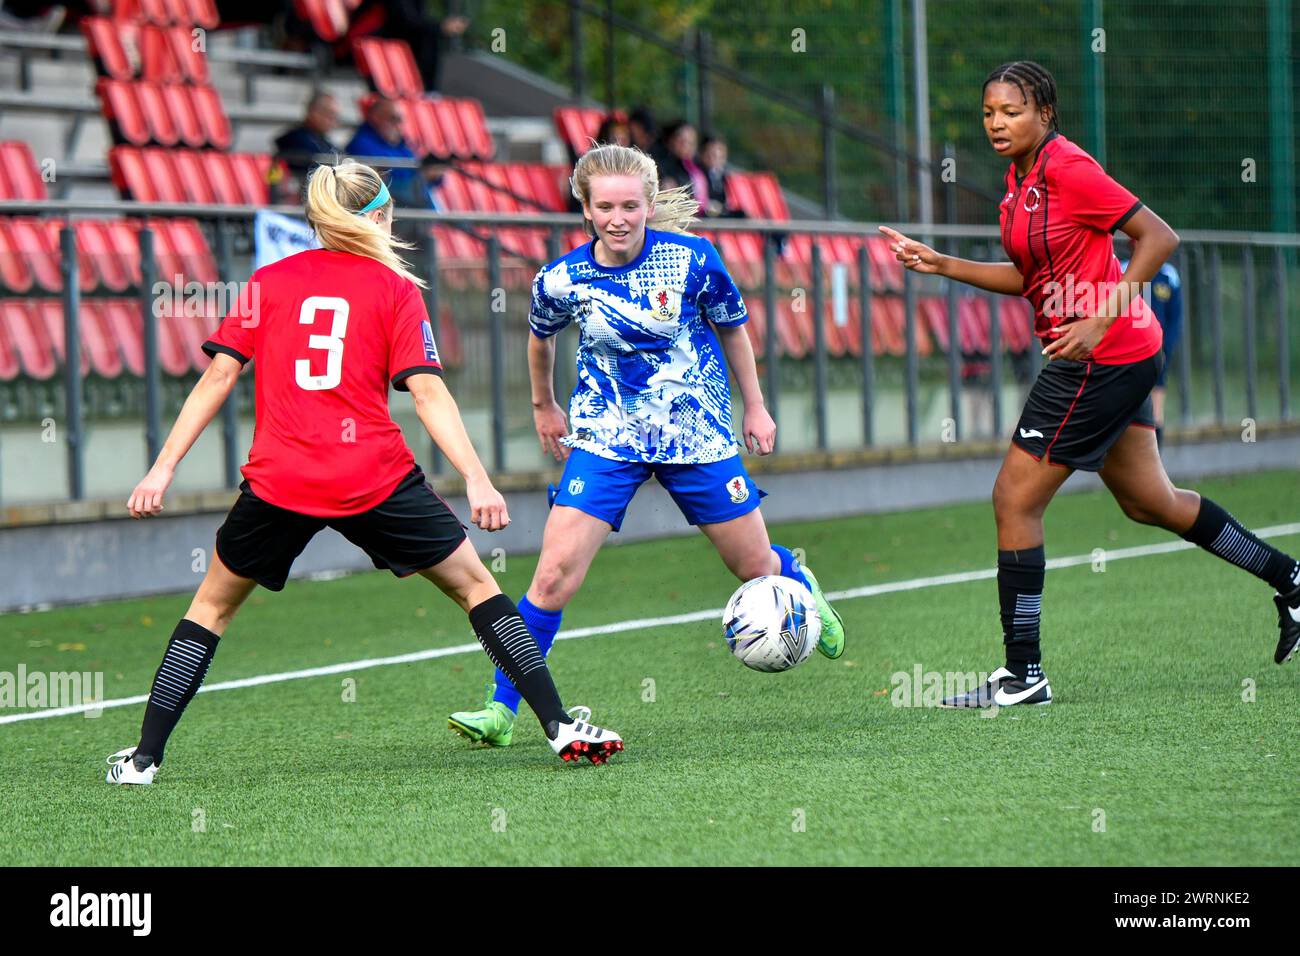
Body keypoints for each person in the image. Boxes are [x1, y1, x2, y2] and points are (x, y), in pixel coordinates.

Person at [105, 160, 622, 784]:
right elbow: (427, 394)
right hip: (372, 477)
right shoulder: (395, 289)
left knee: (210, 610)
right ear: (378, 216)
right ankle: (559, 725)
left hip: (280, 481)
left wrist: (160, 471)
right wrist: (477, 479)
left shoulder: (269, 281)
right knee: (477, 590)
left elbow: (218, 377)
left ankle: (143, 760)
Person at [878, 61, 1300, 708]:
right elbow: (1031, 279)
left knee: (1014, 501)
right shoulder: (1019, 183)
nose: (997, 122)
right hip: (1118, 353)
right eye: (989, 112)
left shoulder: (1069, 169)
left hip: (1103, 356)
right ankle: (1291, 577)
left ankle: (1024, 676)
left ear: (1045, 113)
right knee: (1150, 501)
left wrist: (1099, 318)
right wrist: (941, 265)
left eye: (1011, 111)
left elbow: (1158, 238)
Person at [446, 144, 845, 746]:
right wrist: (544, 406)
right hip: (606, 438)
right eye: (604, 206)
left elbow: (733, 329)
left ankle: (798, 579)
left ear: (650, 205)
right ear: (584, 208)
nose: (619, 218)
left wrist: (756, 406)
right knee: (552, 576)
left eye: (631, 205)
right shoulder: (560, 279)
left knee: (753, 568)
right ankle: (502, 709)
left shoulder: (693, 259)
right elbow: (540, 340)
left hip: (697, 431)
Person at [1118, 240, 1182, 447]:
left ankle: (1156, 466)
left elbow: (1175, 318)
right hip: (1127, 353)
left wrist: (1165, 348)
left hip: (1157, 352)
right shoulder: (1122, 270)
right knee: (1126, 410)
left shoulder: (1168, 275)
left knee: (1156, 411)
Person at [271, 90, 340, 202]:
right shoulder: (294, 139)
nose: (333, 121)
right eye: (328, 114)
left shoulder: (323, 140)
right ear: (313, 112)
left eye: (335, 116)